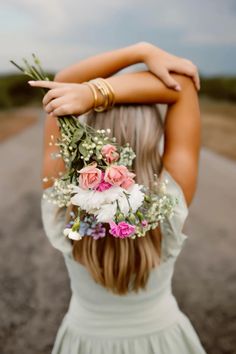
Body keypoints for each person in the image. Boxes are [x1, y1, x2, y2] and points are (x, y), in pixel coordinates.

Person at [30, 42, 206, 353]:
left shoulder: (64, 195)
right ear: (154, 135)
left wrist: (136, 53)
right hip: (164, 340)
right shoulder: (170, 197)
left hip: (83, 340)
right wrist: (99, 92)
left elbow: (61, 81)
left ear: (88, 131)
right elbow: (184, 89)